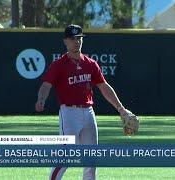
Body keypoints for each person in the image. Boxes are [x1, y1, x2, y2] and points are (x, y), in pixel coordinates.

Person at [35, 24, 131, 180]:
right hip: (69, 113)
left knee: (91, 159)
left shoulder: (90, 64)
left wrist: (121, 108)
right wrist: (41, 99)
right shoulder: (59, 65)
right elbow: (46, 85)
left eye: (79, 38)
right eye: (72, 39)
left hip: (88, 112)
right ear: (65, 41)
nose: (76, 42)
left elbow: (104, 87)